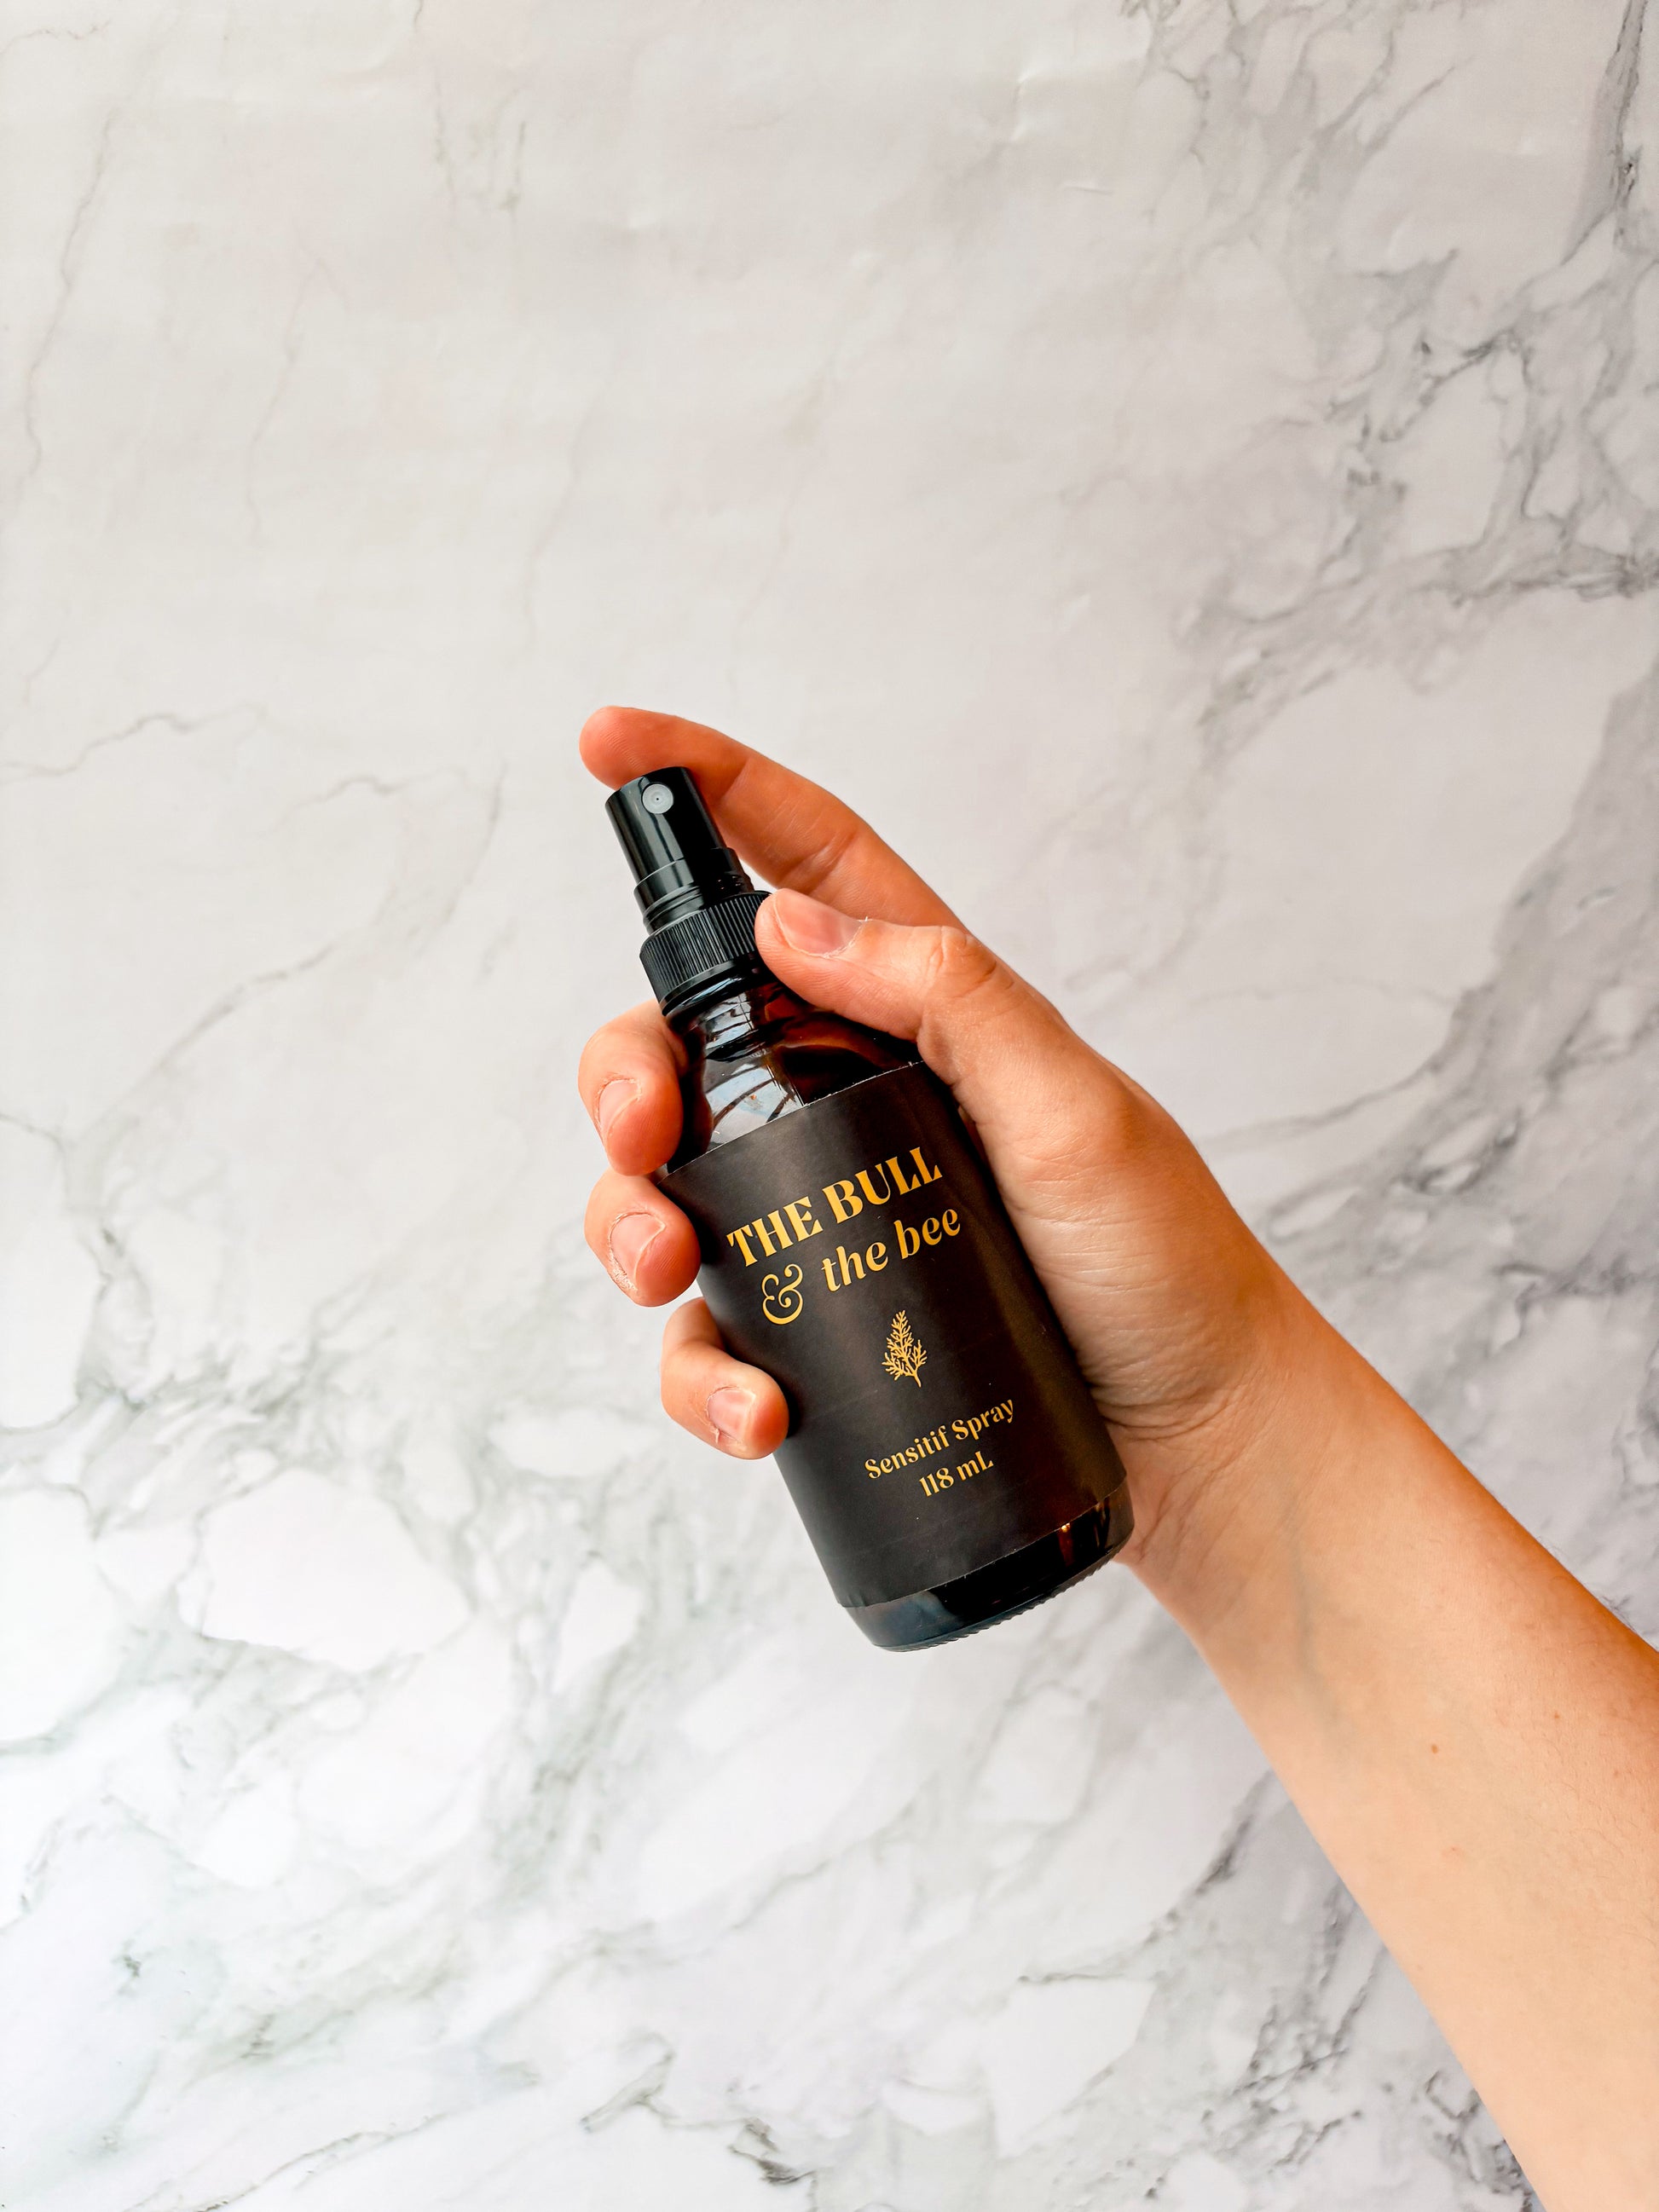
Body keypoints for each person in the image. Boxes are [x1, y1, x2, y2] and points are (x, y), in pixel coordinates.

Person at [575, 707, 1659, 2212]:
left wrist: (1222, 1421)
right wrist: (1226, 1456)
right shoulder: (711, 1120)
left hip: (1069, 1466)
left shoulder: (859, 1061)